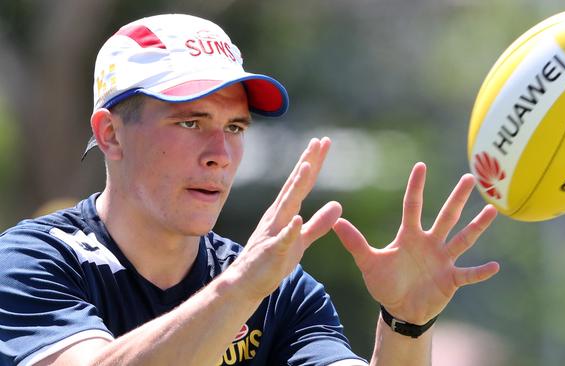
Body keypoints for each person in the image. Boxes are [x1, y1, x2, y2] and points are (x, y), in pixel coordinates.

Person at [0, 14, 500, 366]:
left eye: (236, 127)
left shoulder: (278, 288)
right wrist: (239, 289)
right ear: (110, 134)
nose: (220, 151)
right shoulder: (33, 260)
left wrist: (406, 326)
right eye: (191, 122)